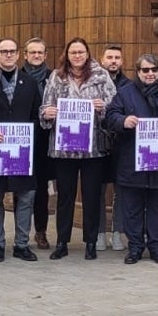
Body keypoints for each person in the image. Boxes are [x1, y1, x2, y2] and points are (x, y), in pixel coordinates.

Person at [106, 53, 158, 264]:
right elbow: (110, 116)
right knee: (132, 208)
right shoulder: (125, 93)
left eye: (154, 70)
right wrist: (123, 120)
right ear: (138, 72)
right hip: (131, 161)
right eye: (145, 70)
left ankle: (157, 247)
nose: (150, 74)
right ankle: (135, 248)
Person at [40, 38, 116, 260]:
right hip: (64, 149)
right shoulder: (57, 76)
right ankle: (62, 241)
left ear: (87, 53)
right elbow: (45, 106)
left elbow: (115, 105)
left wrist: (103, 107)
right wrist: (47, 113)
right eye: (73, 52)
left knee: (92, 196)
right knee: (65, 196)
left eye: (81, 51)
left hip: (92, 148)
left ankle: (90, 242)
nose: (77, 56)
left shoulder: (101, 75)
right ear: (67, 54)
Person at [0, 39, 42, 263]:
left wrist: (26, 132)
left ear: (18, 55)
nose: (7, 55)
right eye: (3, 52)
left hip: (22, 151)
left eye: (11, 51)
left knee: (25, 197)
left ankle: (21, 244)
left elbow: (36, 114)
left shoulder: (30, 82)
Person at [98, 43, 130, 252]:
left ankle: (118, 231)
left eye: (117, 57)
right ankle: (99, 232)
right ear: (102, 60)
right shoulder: (94, 82)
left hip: (123, 144)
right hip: (98, 143)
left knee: (121, 190)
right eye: (109, 57)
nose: (113, 61)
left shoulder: (130, 86)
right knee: (97, 190)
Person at [23, 37, 53, 249]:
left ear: (45, 55)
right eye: (32, 52)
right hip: (22, 138)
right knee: (21, 187)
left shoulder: (53, 77)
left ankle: (41, 231)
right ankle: (21, 231)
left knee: (42, 188)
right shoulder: (17, 77)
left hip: (45, 138)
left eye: (39, 52)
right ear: (25, 55)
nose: (36, 56)